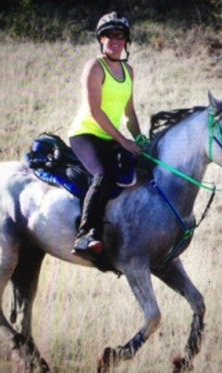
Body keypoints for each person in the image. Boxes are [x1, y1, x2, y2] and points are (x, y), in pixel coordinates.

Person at [68, 11, 142, 260]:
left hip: (110, 137)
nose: (114, 40)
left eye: (120, 36)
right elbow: (95, 111)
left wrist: (140, 140)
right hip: (86, 134)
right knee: (103, 174)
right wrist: (123, 141)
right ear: (101, 39)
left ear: (126, 41)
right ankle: (86, 235)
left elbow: (129, 112)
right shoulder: (94, 67)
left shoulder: (129, 71)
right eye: (109, 35)